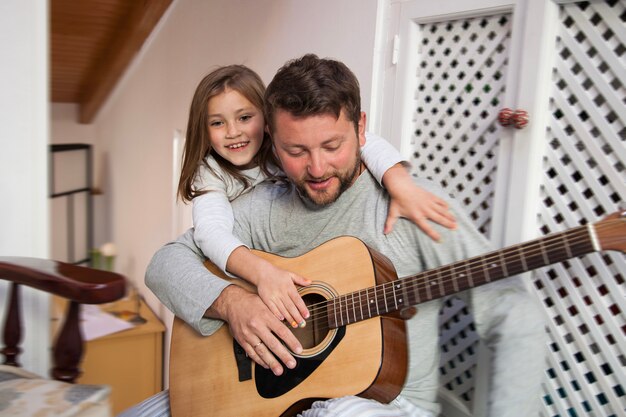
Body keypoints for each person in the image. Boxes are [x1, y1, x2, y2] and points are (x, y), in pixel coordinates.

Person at [126, 55, 545, 417]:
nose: (317, 168)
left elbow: (512, 308)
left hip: (388, 405)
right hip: (279, 398)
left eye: (332, 146)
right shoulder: (267, 204)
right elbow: (166, 264)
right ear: (272, 140)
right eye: (296, 152)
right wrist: (234, 303)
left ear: (361, 129)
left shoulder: (417, 206)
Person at [177, 65, 456, 329]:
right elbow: (208, 235)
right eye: (217, 123)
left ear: (265, 124)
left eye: (244, 117)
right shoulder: (211, 175)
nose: (233, 132)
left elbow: (369, 143)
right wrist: (253, 283)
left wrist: (399, 183)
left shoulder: (279, 148)